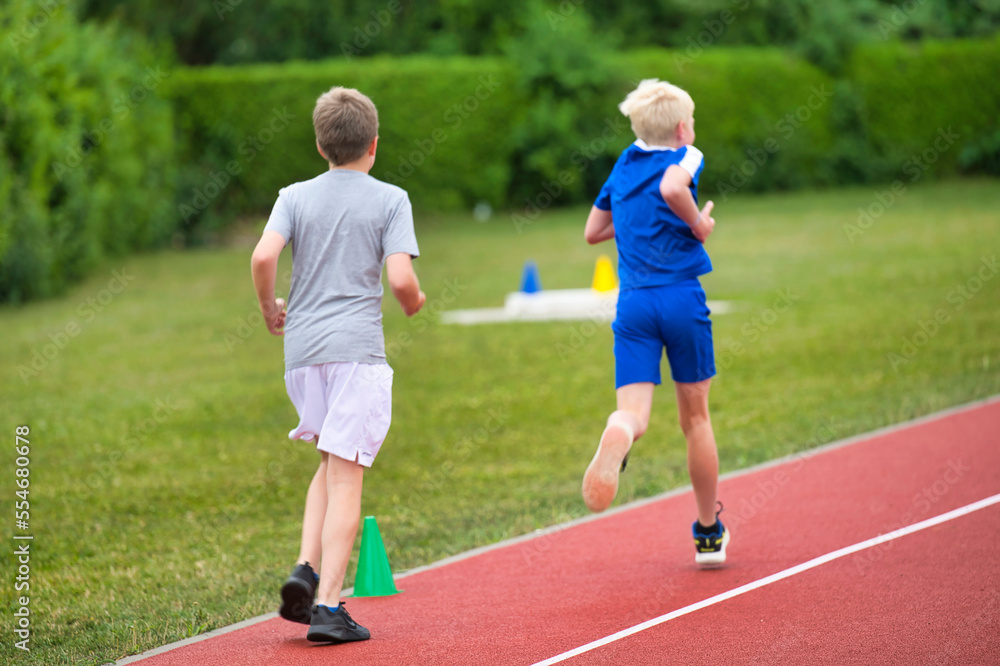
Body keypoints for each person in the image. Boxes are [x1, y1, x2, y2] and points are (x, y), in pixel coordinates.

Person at [250, 85, 425, 642]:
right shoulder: (390, 198)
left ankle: (306, 568)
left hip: (302, 353)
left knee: (329, 461)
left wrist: (269, 308)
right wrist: (414, 301)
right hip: (355, 353)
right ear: (373, 145)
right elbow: (400, 278)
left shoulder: (293, 195)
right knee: (348, 474)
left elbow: (263, 255)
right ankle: (327, 607)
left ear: (320, 144)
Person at [581, 78, 728, 565]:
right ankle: (708, 532)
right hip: (681, 299)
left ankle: (619, 431)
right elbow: (671, 187)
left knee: (634, 414)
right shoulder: (687, 156)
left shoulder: (623, 164)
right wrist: (698, 224)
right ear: (683, 128)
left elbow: (593, 231)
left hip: (635, 304)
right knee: (696, 419)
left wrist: (634, 223)